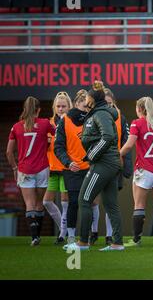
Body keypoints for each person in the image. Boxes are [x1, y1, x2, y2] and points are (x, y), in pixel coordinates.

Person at [65, 80, 123, 251]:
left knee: (84, 200)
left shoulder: (101, 113)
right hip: (108, 163)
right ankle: (117, 243)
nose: (85, 100)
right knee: (111, 203)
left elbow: (108, 136)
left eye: (87, 97)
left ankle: (83, 242)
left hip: (103, 163)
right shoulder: (97, 112)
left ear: (93, 100)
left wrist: (91, 154)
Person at [120, 97, 153, 247]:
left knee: (139, 204)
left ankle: (136, 240)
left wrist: (117, 154)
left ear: (139, 109)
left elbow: (129, 145)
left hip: (144, 168)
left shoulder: (137, 123)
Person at [6, 97, 54, 246]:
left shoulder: (16, 127)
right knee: (40, 203)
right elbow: (57, 136)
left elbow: (9, 152)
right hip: (42, 168)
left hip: (24, 169)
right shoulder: (45, 123)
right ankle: (37, 235)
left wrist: (14, 168)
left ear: (24, 109)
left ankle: (34, 237)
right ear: (38, 110)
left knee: (29, 204)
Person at [89, 88, 133, 246]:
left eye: (110, 103)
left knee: (111, 201)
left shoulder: (121, 118)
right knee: (93, 199)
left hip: (114, 163)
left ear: (114, 103)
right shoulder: (95, 116)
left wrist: (126, 165)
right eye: (105, 103)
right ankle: (93, 232)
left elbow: (127, 141)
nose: (107, 106)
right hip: (97, 162)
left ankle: (109, 236)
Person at [54, 90, 90, 247]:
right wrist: (68, 163)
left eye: (89, 106)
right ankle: (70, 237)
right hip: (72, 169)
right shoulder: (65, 121)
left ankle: (86, 237)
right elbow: (58, 147)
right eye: (84, 106)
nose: (86, 110)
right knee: (74, 202)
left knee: (87, 203)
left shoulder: (93, 118)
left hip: (90, 167)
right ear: (76, 104)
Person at [44, 92, 72, 245]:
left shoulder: (70, 123)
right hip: (51, 167)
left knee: (65, 201)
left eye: (64, 106)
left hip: (66, 167)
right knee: (46, 201)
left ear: (69, 107)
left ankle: (62, 233)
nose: (61, 109)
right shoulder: (48, 123)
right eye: (58, 106)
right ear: (54, 107)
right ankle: (64, 228)